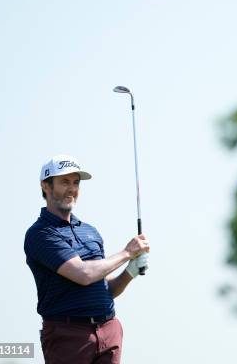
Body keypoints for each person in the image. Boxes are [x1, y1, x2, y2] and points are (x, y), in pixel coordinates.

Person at [24, 154, 150, 364]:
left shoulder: (90, 232)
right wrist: (127, 252)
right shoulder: (40, 234)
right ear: (45, 186)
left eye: (76, 182)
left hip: (108, 330)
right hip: (68, 335)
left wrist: (130, 272)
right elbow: (83, 274)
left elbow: (104, 289)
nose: (72, 188)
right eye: (64, 182)